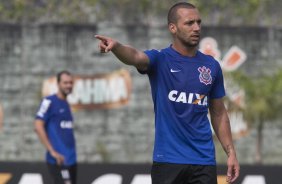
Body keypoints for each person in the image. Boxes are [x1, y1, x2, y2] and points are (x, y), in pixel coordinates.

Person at [95, 2, 239, 184]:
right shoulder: (160, 59)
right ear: (173, 27)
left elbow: (218, 112)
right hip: (168, 161)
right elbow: (136, 56)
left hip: (203, 161)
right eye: (189, 23)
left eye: (199, 22)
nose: (196, 28)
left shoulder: (211, 66)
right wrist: (116, 47)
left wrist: (231, 153)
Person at [34, 70, 77, 184]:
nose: (69, 85)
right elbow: (38, 126)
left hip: (71, 159)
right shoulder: (49, 101)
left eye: (71, 83)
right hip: (58, 160)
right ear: (58, 84)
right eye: (65, 83)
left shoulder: (67, 104)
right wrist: (52, 151)